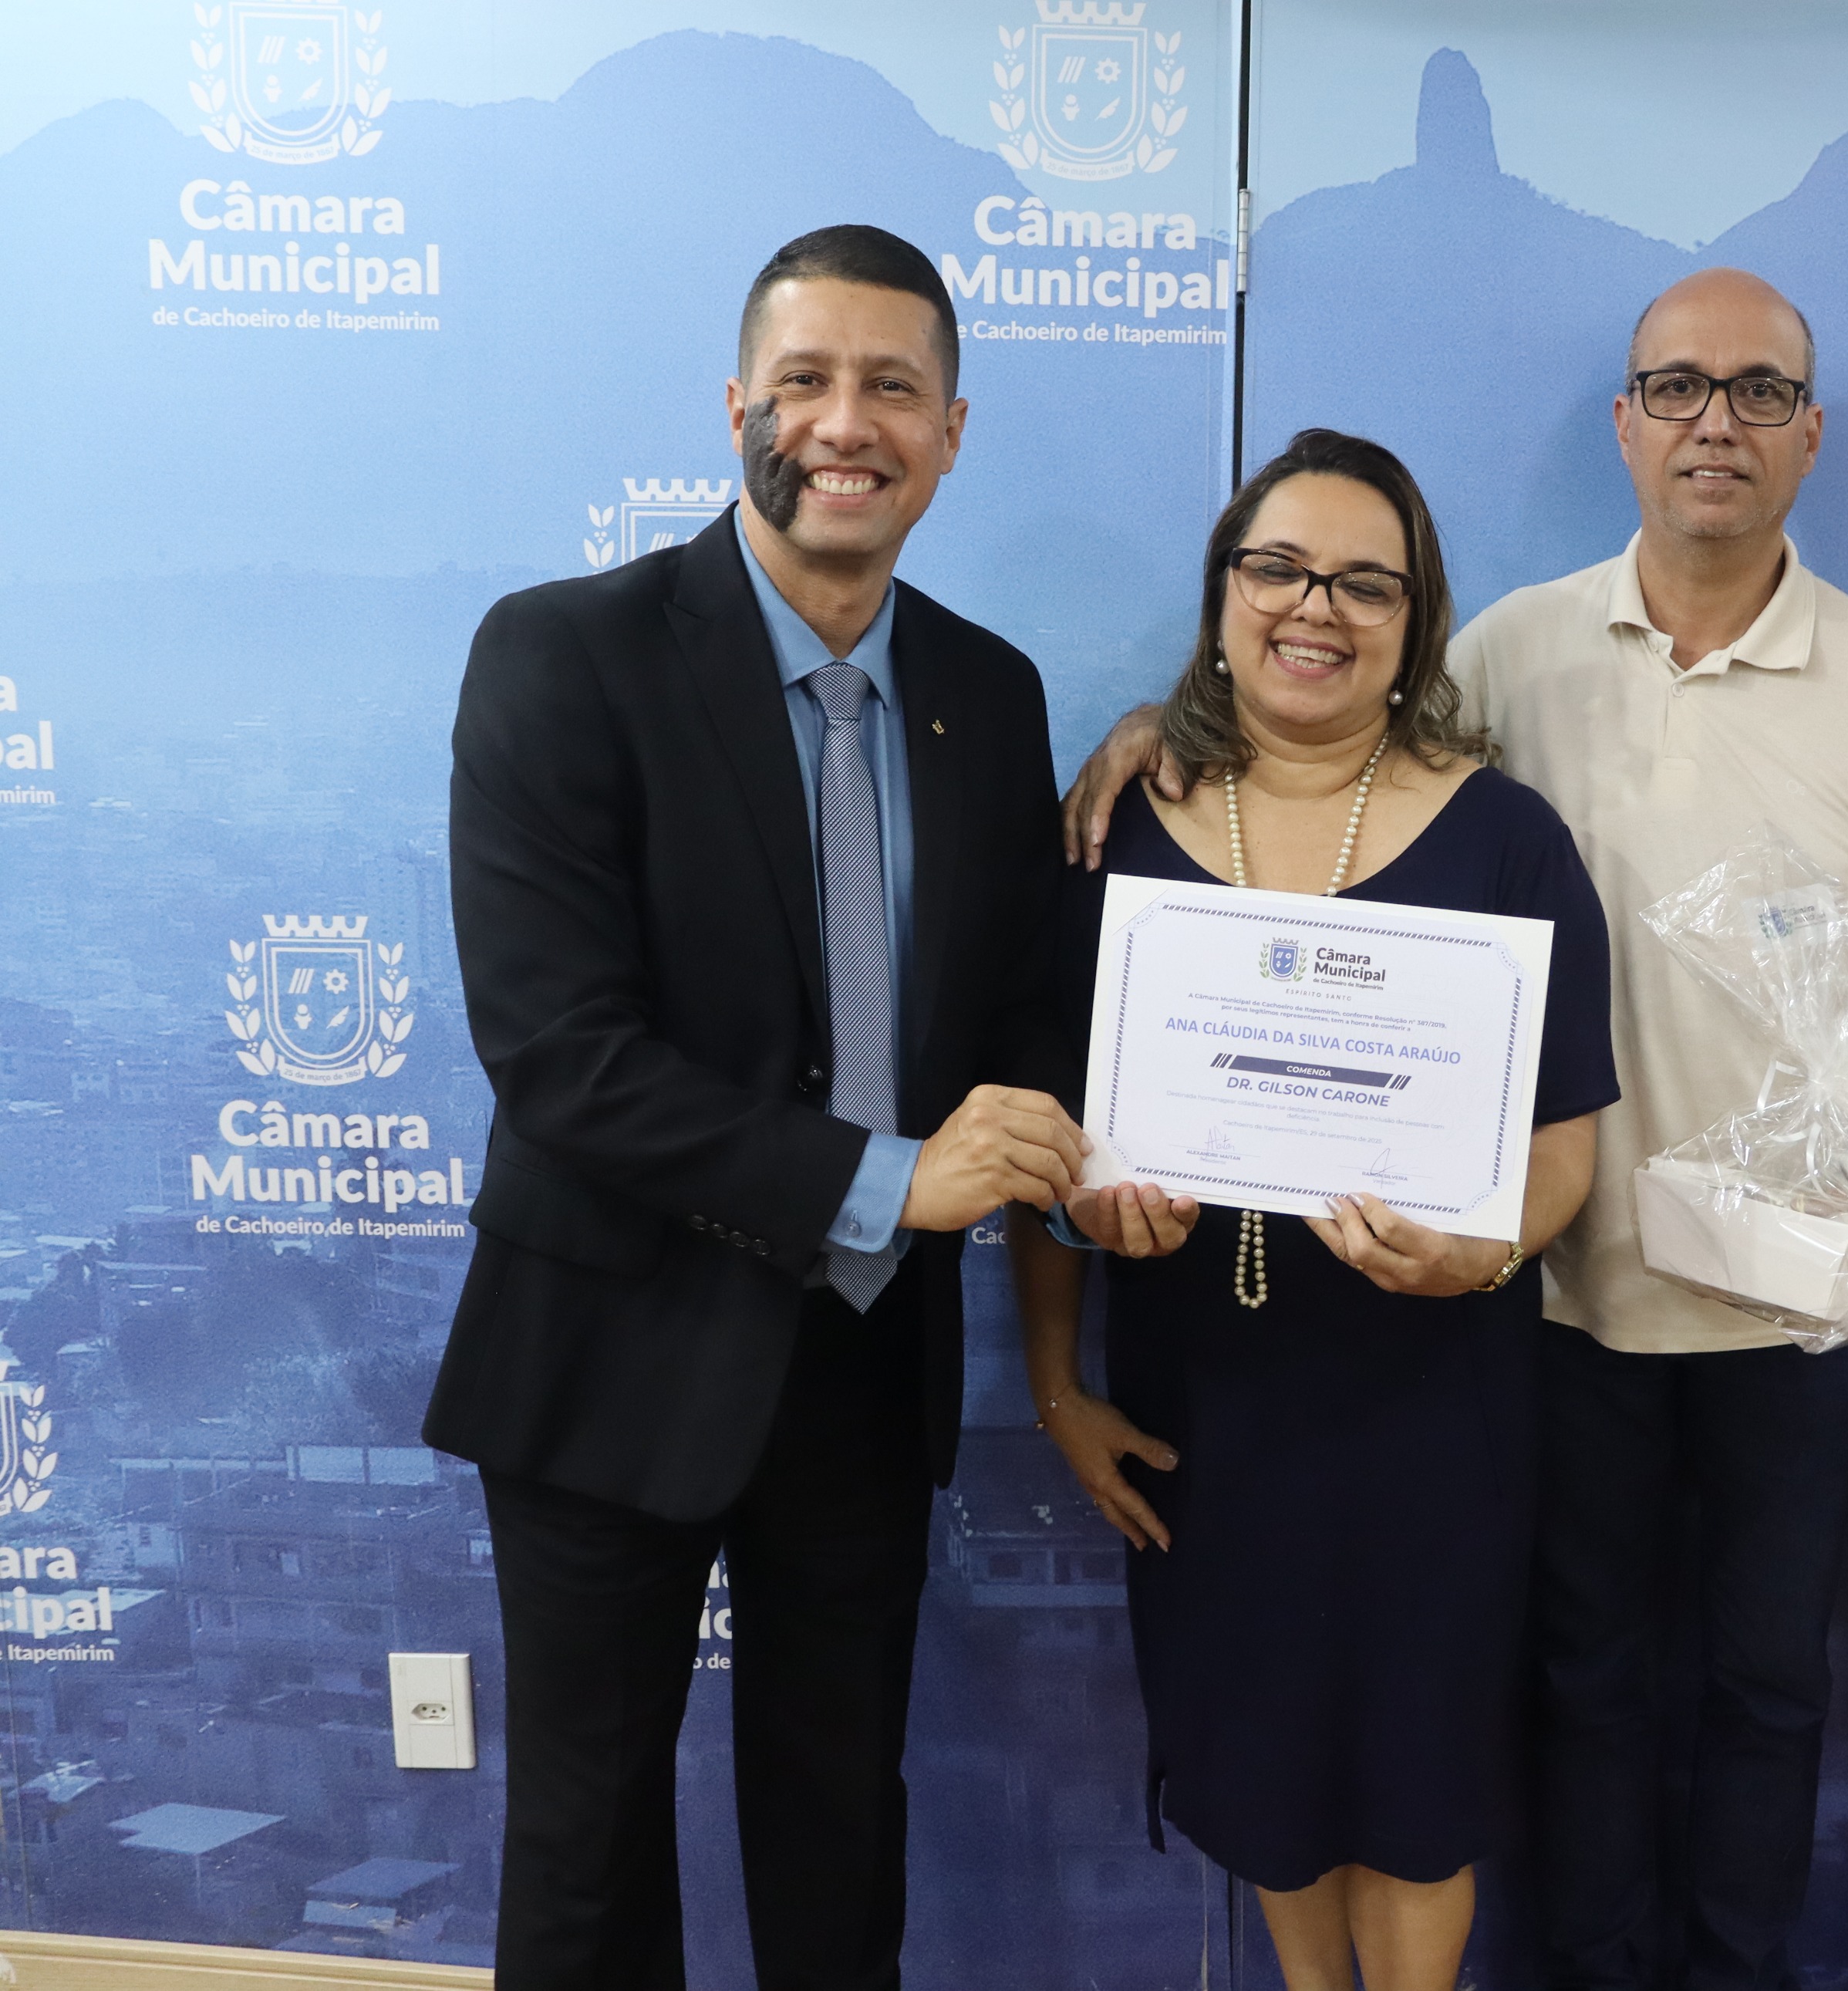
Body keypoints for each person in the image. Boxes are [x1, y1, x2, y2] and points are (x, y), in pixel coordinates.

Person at [1064, 270, 1848, 1990]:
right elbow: (1317, 722)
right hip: (1555, 1303)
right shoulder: (1510, 649)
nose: (1716, 423)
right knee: (1580, 1687)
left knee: (1772, 1686)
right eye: (1679, 386)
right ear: (1626, 422)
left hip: (1794, 1308)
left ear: (1809, 434)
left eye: (1760, 393)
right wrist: (1152, 730)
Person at [424, 224, 1094, 1989]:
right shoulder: (564, 654)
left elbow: (1020, 1015)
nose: (844, 423)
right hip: (609, 1349)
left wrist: (1084, 1147)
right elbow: (561, 1059)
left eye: (891, 387)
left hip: (860, 1369)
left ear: (951, 432)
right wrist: (887, 1180)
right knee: (585, 1857)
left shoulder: (991, 694)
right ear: (737, 408)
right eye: (805, 380)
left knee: (839, 1835)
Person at [1013, 428, 1619, 1991]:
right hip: (1208, 1411)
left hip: (1434, 1410)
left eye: (1365, 583)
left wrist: (1487, 1248)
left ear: (1416, 622)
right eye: (1278, 569)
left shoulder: (1509, 840)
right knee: (1268, 1788)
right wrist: (1058, 1383)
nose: (1315, 608)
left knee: (1417, 1803)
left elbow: (1567, 1140)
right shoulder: (1112, 834)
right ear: (1224, 594)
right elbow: (1040, 1139)